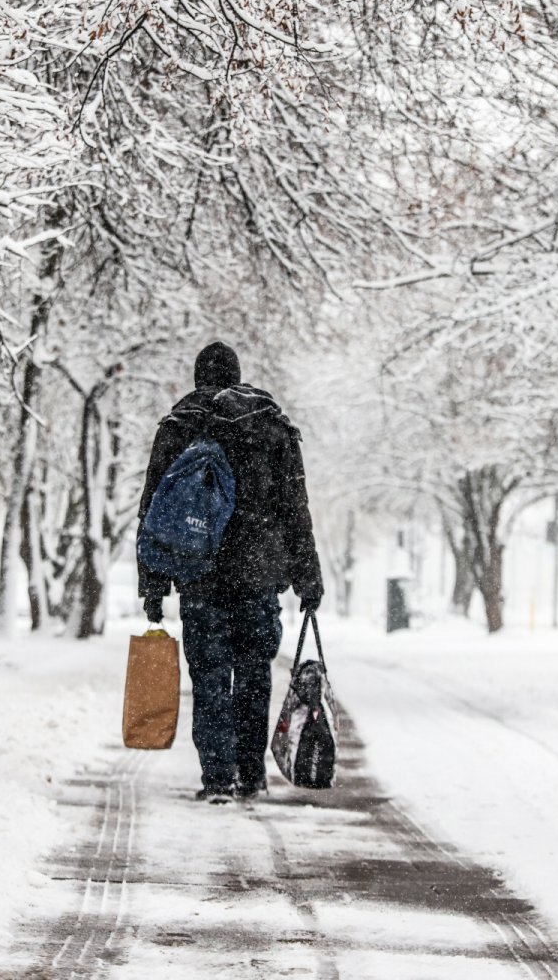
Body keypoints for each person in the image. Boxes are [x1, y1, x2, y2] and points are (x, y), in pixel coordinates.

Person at [137, 342, 322, 804]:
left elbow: (155, 512)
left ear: (199, 376)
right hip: (260, 574)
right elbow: (296, 509)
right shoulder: (273, 428)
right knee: (255, 674)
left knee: (211, 677)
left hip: (201, 575)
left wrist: (154, 582)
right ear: (239, 375)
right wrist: (307, 577)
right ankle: (250, 774)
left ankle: (217, 777)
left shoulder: (180, 426)